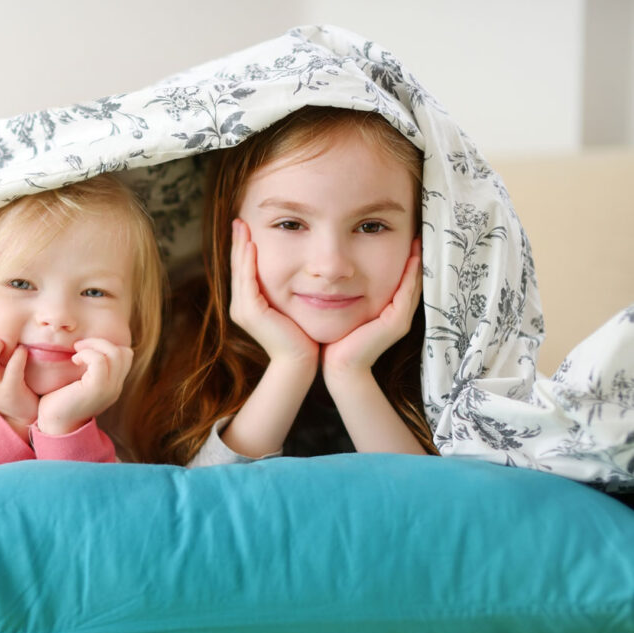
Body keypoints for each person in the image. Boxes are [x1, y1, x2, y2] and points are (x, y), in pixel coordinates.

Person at [137, 105, 437, 466]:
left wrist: (350, 376)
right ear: (232, 229)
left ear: (421, 234)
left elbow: (441, 519)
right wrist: (290, 365)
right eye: (291, 224)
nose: (330, 267)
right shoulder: (177, 342)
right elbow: (207, 512)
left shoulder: (449, 363)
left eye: (371, 226)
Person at [0, 173, 165, 489]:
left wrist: (65, 428)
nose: (57, 317)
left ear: (133, 321)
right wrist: (11, 421)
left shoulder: (141, 425)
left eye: (94, 292)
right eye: (21, 284)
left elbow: (107, 522)